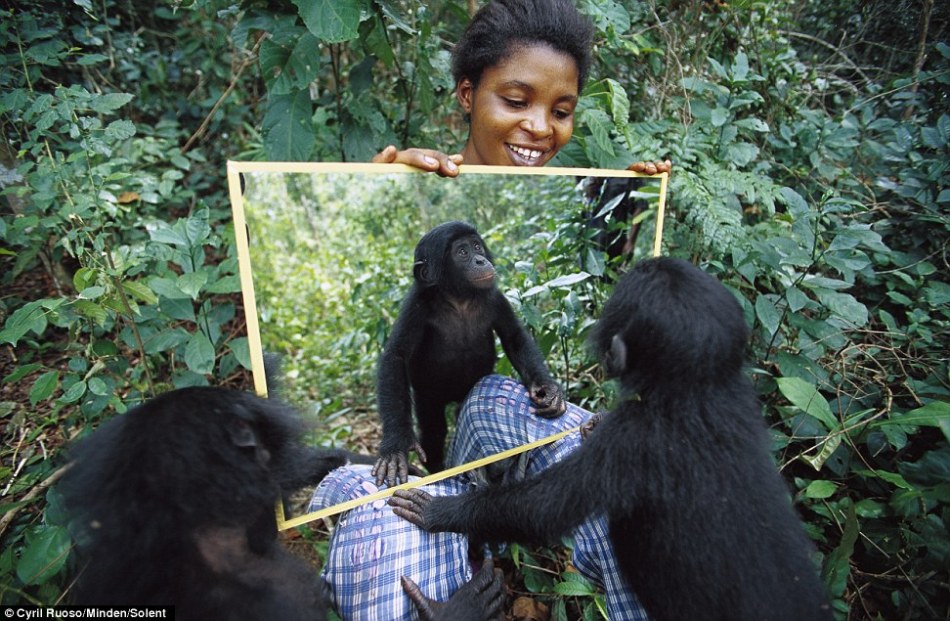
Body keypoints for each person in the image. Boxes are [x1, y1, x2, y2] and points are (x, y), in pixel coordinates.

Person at [316, 0, 660, 617]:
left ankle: (483, 513)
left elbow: (523, 345)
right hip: (431, 399)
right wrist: (396, 439)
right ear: (467, 96)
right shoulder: (423, 297)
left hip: (488, 398)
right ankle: (455, 514)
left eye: (561, 111)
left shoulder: (492, 292)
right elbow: (393, 363)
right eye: (515, 100)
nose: (539, 126)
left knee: (592, 467)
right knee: (432, 448)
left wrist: (635, 199)